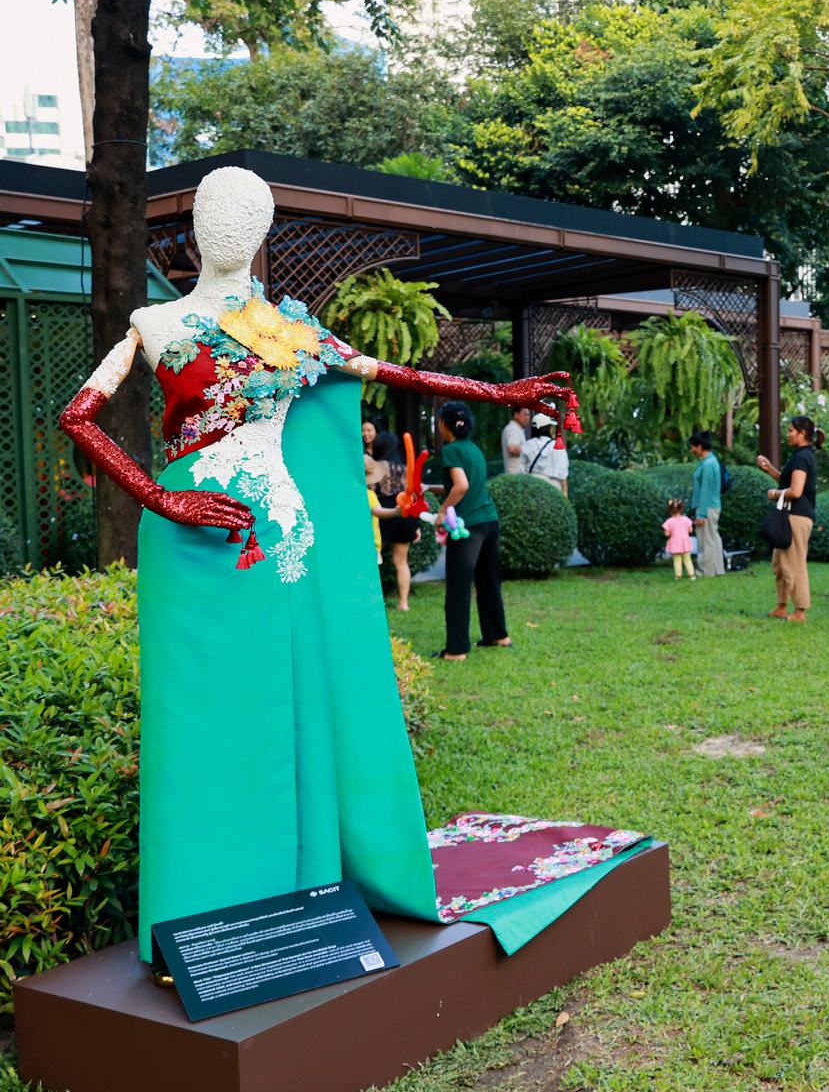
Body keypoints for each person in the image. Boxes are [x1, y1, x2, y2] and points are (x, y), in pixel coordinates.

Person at [55, 164, 590, 967]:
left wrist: (498, 390)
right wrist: (158, 501)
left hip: (281, 532)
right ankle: (199, 920)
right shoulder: (153, 322)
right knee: (200, 720)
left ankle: (295, 890)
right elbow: (78, 416)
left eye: (245, 214)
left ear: (264, 229)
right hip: (191, 536)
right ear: (194, 224)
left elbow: (400, 373)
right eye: (214, 211)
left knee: (294, 699)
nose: (227, 226)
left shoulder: (291, 332)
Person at [433, 401, 509, 659]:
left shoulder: (451, 450)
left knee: (458, 587)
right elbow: (467, 485)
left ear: (444, 424)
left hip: (468, 528)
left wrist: (442, 512)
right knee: (488, 582)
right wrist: (430, 488)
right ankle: (498, 635)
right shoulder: (474, 449)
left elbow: (462, 486)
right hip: (489, 522)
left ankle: (456, 650)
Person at [755, 416, 822, 622]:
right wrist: (770, 469)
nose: (788, 434)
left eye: (791, 430)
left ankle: (800, 611)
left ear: (802, 433)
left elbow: (795, 491)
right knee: (780, 563)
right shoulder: (800, 456)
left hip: (797, 516)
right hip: (791, 516)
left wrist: (773, 494)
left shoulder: (802, 457)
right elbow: (788, 481)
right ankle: (781, 606)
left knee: (794, 564)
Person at [369, 430, 421, 611]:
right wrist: (416, 525)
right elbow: (413, 496)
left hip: (383, 512)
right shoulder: (406, 468)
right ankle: (403, 603)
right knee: (401, 562)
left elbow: (370, 492)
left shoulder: (375, 466)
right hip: (404, 513)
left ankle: (374, 601)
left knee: (373, 559)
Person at [689, 430, 725, 577]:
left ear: (699, 447)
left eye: (692, 447)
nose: (691, 450)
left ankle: (705, 571)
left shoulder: (708, 464)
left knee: (706, 540)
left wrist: (701, 513)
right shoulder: (711, 461)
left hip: (707, 506)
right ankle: (717, 569)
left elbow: (705, 491)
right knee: (713, 537)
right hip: (713, 505)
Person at [519, 415, 568, 493]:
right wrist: (565, 491)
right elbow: (562, 472)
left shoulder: (527, 445)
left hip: (531, 487)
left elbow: (521, 470)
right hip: (552, 488)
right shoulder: (557, 445)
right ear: (549, 429)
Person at [663, 498, 696, 579]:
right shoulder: (686, 519)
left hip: (675, 543)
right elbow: (690, 530)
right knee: (687, 560)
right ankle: (691, 575)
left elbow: (667, 534)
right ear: (682, 509)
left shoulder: (669, 521)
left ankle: (678, 575)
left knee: (677, 560)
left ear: (669, 510)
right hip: (685, 542)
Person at [500, 403, 531, 475]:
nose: (527, 418)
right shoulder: (513, 429)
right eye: (525, 414)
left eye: (529, 415)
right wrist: (528, 452)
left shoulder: (516, 428)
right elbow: (512, 448)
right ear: (516, 415)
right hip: (515, 474)